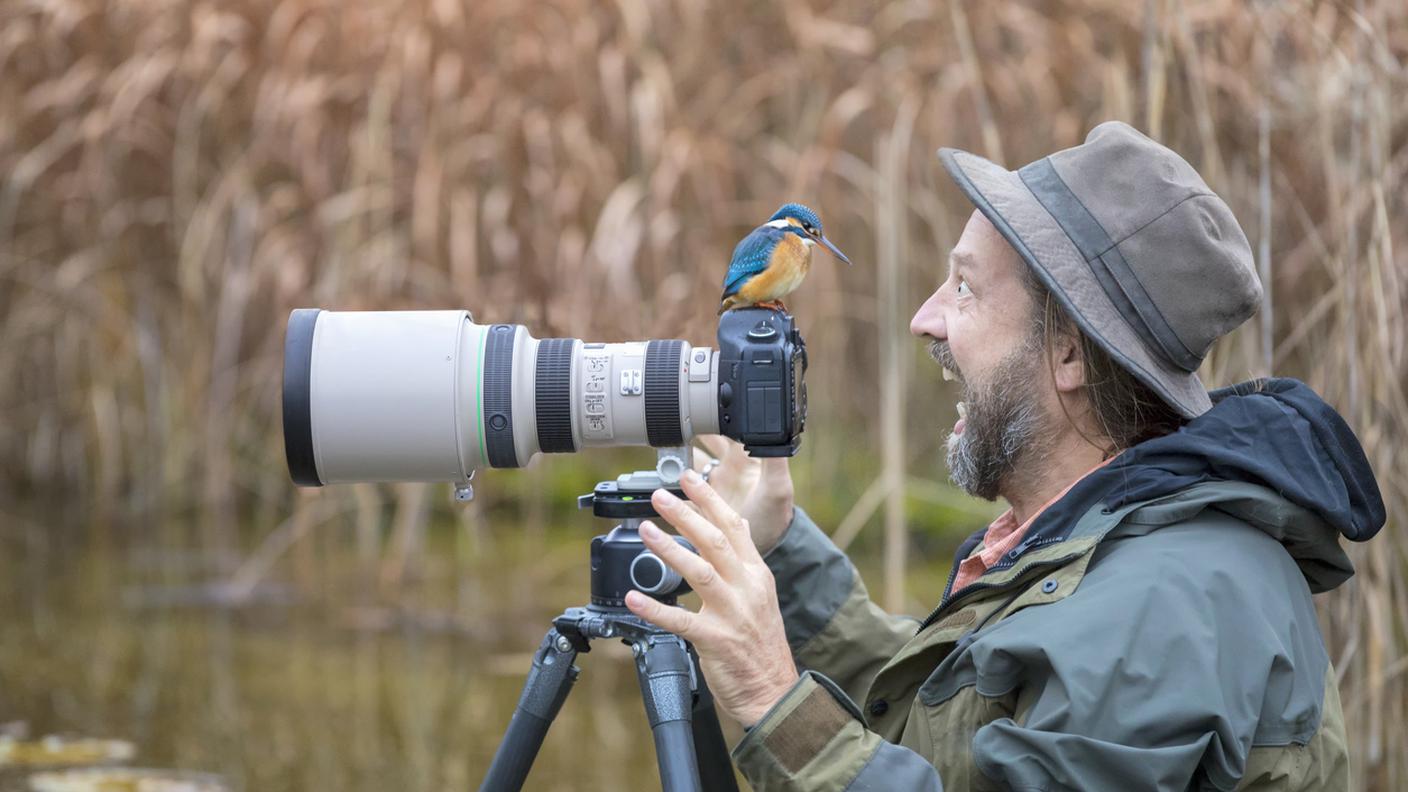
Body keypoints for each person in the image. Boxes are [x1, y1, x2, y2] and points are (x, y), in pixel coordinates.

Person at [623, 121, 1385, 791]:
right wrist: (778, 550)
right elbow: (950, 740)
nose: (925, 319)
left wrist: (770, 701)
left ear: (1068, 355)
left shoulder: (1159, 615)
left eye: (965, 288)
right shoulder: (1093, 541)